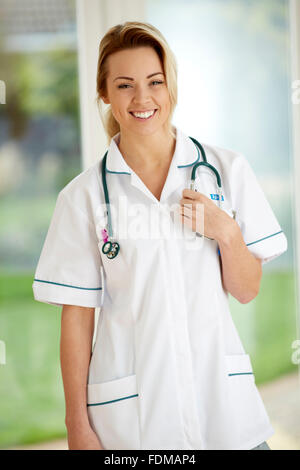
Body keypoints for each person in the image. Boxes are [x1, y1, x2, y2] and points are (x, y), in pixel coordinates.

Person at [32, 21, 287, 450]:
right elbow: (76, 320)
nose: (142, 98)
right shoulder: (83, 197)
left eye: (155, 82)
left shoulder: (226, 170)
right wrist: (77, 425)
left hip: (225, 412)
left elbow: (246, 290)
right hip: (133, 422)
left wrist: (225, 232)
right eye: (125, 85)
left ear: (170, 87)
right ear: (105, 94)